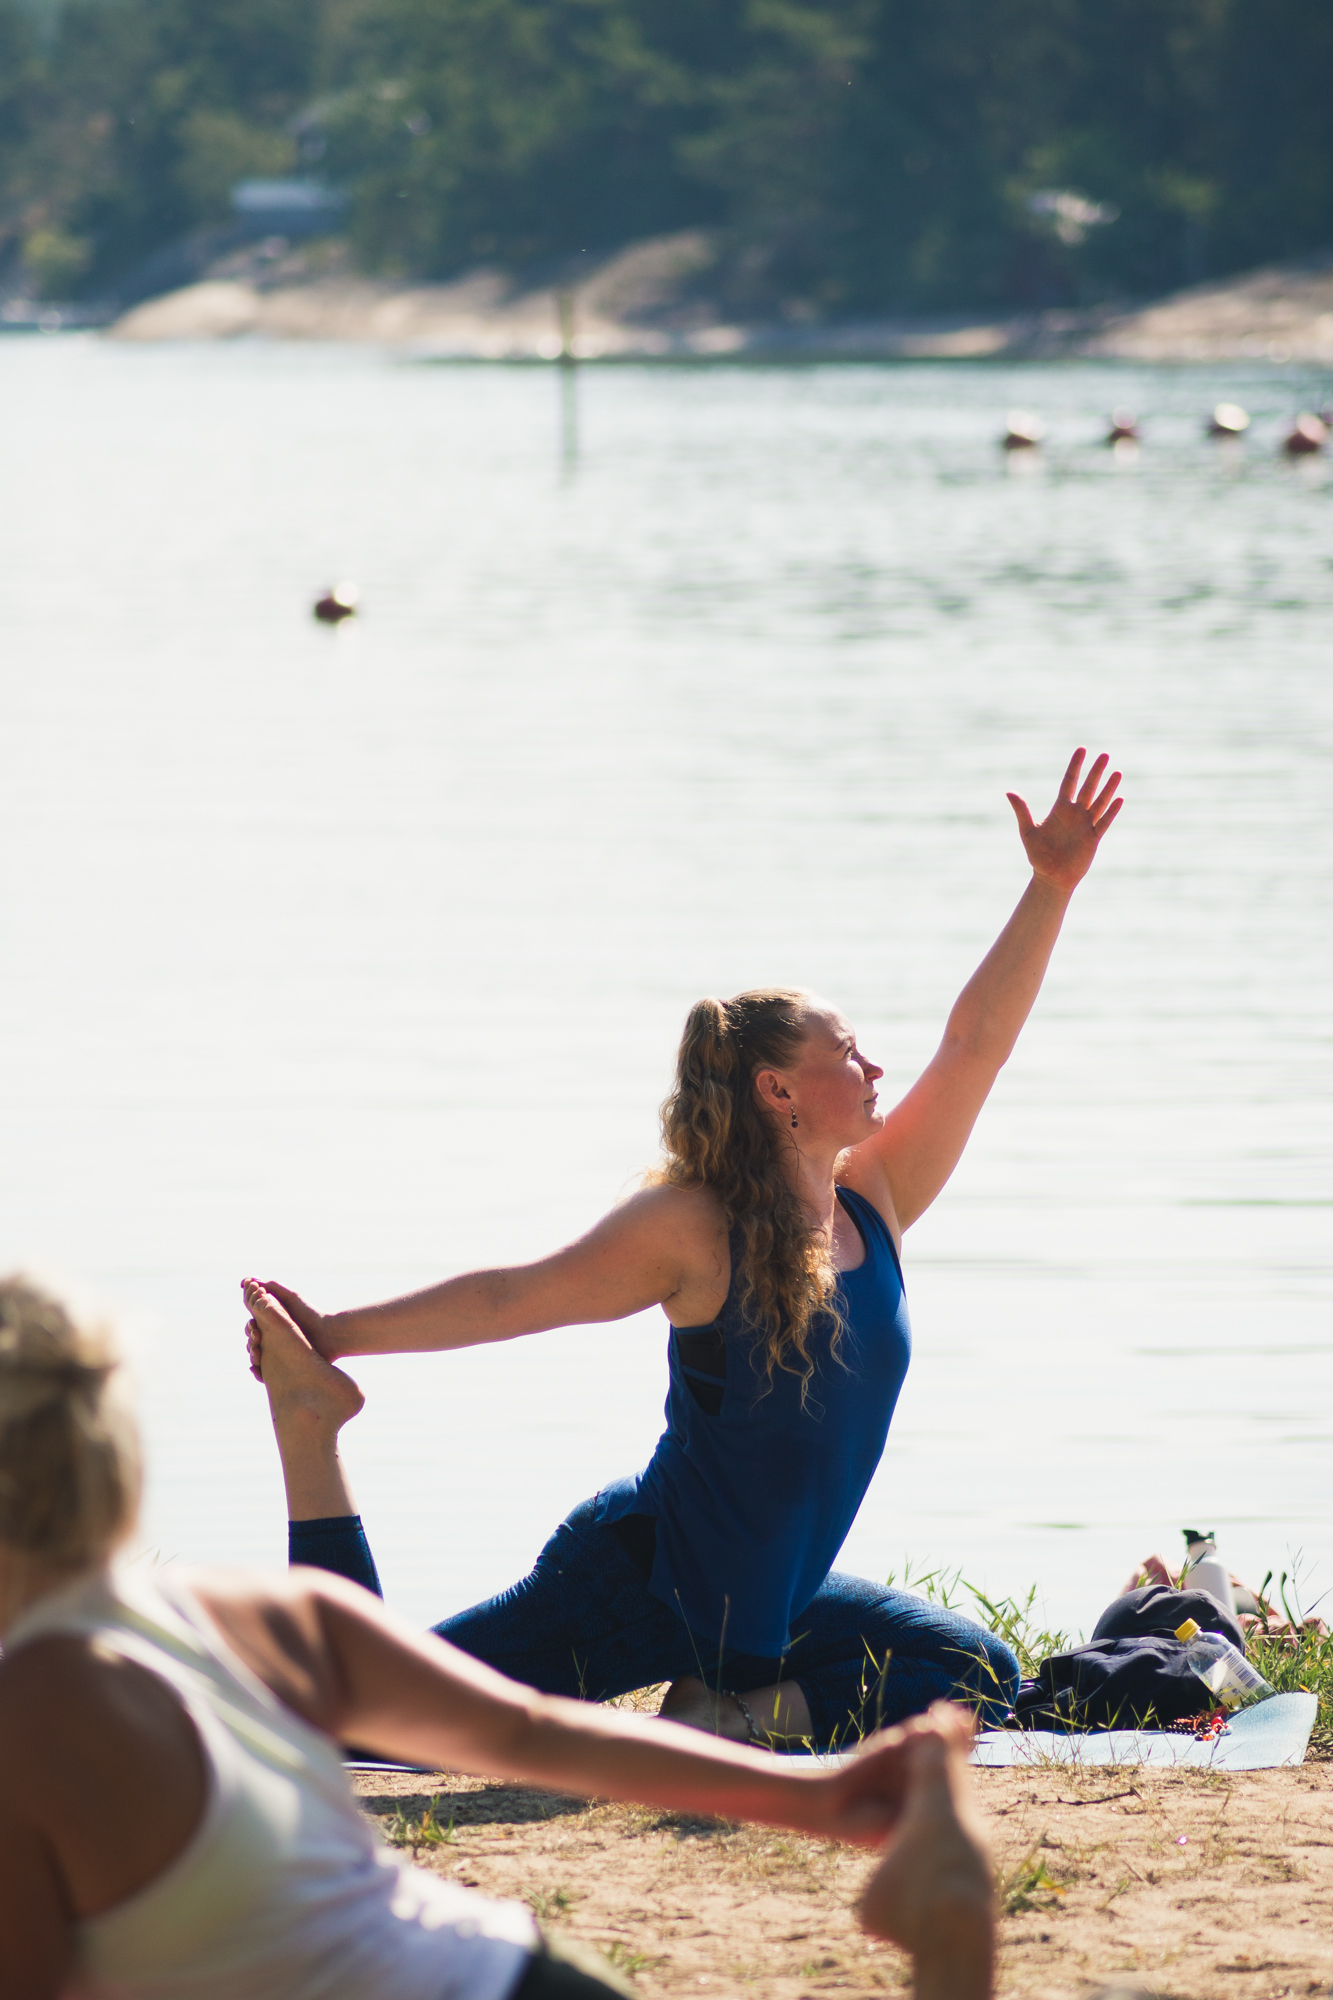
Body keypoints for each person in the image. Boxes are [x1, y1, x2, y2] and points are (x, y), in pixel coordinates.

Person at [251, 749, 1122, 1751]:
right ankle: (308, 1425)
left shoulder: (872, 1201)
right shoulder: (694, 1229)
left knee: (975, 1673)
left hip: (769, 1607)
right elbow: (512, 1298)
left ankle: (739, 1711)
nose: (874, 1064)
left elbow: (974, 1044)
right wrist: (334, 1335)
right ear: (776, 1089)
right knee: (358, 1723)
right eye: (846, 1049)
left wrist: (1048, 888)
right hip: (642, 1587)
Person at [0, 1275, 995, 2000]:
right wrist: (822, 1795)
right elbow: (528, 1732)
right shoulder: (251, 1610)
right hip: (520, 1969)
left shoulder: (27, 1720)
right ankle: (943, 1955)